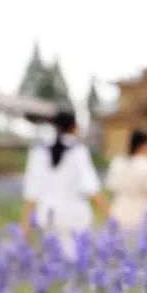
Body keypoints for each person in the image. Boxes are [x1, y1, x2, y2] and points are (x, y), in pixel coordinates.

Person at [21, 109, 108, 258]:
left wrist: (24, 224)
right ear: (74, 126)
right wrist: (110, 215)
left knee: (51, 260)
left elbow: (31, 191)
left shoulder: (38, 151)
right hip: (74, 217)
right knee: (75, 261)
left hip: (47, 216)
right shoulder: (78, 150)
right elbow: (91, 188)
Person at [106, 129, 147, 232]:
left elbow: (111, 189)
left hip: (119, 208)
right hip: (141, 210)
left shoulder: (117, 162)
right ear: (144, 145)